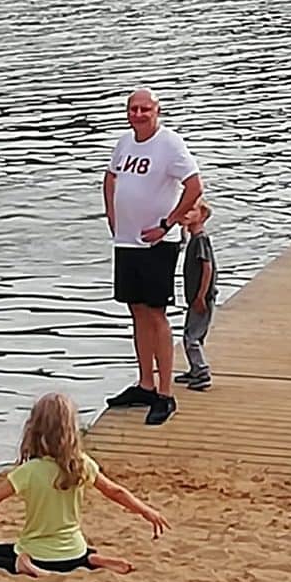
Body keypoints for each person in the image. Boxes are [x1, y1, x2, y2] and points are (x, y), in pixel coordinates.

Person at [0, 392, 169, 576]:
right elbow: (116, 491)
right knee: (74, 549)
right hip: (73, 553)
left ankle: (21, 565)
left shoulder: (29, 472)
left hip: (39, 554)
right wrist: (147, 511)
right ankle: (91, 559)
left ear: (34, 429)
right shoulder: (82, 464)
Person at [103, 88, 203, 427]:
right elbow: (110, 177)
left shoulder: (170, 144)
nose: (139, 114)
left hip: (157, 243)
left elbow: (194, 187)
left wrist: (168, 223)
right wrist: (111, 215)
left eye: (145, 109)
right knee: (136, 310)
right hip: (127, 241)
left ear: (156, 111)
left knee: (156, 313)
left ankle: (165, 392)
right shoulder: (125, 143)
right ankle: (144, 383)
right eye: (133, 109)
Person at [175, 201, 219, 393]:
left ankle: (201, 372)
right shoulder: (194, 239)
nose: (186, 213)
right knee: (192, 334)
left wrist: (201, 296)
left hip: (201, 298)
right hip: (194, 297)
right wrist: (183, 228)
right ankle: (194, 370)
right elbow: (182, 244)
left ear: (201, 215)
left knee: (191, 338)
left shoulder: (201, 240)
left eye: (191, 210)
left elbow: (207, 268)